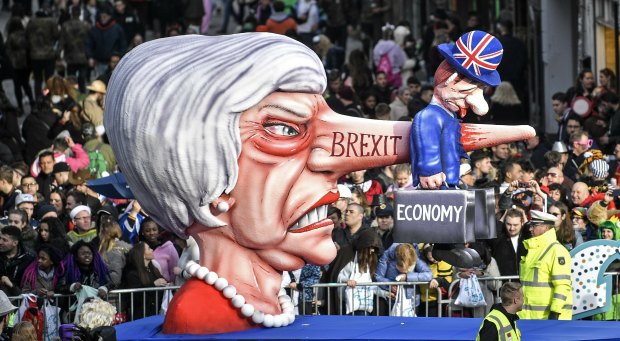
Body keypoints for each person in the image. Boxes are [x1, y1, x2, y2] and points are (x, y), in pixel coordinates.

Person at [103, 33, 447, 334]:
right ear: (203, 177)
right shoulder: (199, 312)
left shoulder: (265, 295)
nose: (333, 168)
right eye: (283, 129)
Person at [519, 210, 572, 320]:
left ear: (546, 227)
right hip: (530, 316)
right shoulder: (533, 249)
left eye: (534, 225)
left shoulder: (557, 251)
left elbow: (562, 285)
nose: (530, 228)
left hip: (549, 317)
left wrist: (555, 311)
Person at [122, 241, 168, 319]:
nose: (152, 250)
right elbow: (136, 295)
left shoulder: (154, 269)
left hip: (157, 312)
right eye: (149, 249)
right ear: (143, 255)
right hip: (141, 316)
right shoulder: (133, 274)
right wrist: (154, 285)